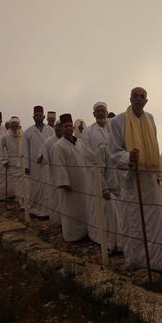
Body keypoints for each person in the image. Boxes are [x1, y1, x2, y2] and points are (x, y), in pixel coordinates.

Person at [109, 87, 162, 272]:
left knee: (153, 220)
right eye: (135, 96)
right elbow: (113, 152)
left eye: (142, 97)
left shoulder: (150, 119)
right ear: (130, 99)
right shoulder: (118, 121)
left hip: (149, 180)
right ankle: (137, 261)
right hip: (131, 180)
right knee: (135, 222)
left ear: (146, 101)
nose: (138, 99)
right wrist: (129, 156)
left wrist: (159, 175)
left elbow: (154, 146)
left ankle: (158, 262)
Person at [82, 101, 122, 253]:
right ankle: (100, 238)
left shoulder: (113, 127)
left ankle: (118, 241)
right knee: (102, 208)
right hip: (96, 173)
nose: (101, 113)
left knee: (117, 211)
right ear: (94, 114)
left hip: (115, 175)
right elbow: (85, 151)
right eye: (98, 111)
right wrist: (99, 161)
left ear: (107, 112)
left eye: (103, 110)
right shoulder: (88, 131)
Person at [50, 114, 90, 242]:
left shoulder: (79, 143)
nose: (68, 128)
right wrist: (64, 183)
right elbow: (58, 166)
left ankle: (85, 233)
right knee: (70, 211)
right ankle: (72, 236)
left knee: (84, 209)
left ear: (73, 128)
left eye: (69, 126)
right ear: (61, 128)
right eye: (65, 126)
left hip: (83, 183)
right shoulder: (58, 146)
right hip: (69, 187)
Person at [24, 106, 54, 219]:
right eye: (36, 115)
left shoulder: (50, 130)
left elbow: (53, 146)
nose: (38, 117)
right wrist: (26, 165)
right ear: (33, 117)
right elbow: (25, 150)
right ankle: (34, 209)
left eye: (40, 115)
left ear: (44, 116)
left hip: (47, 164)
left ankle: (48, 211)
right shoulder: (28, 132)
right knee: (35, 187)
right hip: (34, 166)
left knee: (47, 186)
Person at [42, 120, 65, 225]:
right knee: (54, 199)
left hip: (67, 176)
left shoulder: (69, 140)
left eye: (60, 126)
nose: (58, 128)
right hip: (53, 175)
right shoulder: (48, 142)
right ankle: (56, 222)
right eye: (57, 126)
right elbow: (43, 158)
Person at [1, 117, 26, 204]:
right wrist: (4, 160)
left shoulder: (23, 135)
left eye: (16, 125)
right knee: (17, 183)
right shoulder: (5, 137)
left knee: (25, 182)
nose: (15, 127)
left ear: (18, 125)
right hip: (13, 163)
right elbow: (1, 149)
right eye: (13, 125)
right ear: (10, 126)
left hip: (23, 162)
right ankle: (20, 199)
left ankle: (25, 199)